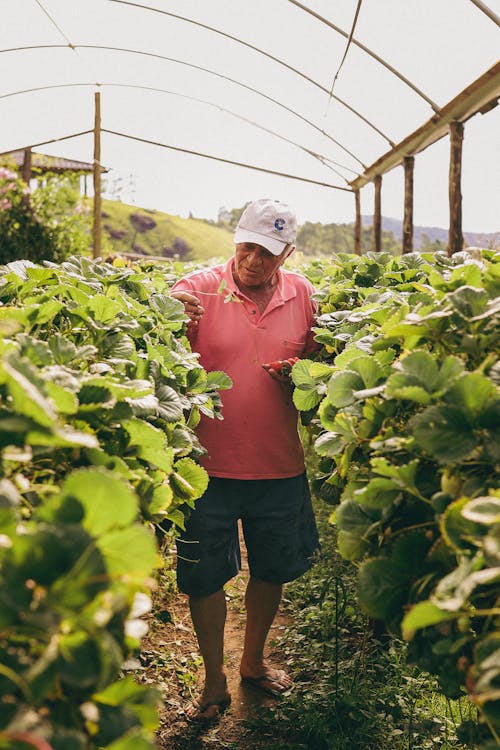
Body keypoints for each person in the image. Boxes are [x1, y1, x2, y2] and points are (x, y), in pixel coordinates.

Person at [170, 198, 320, 721]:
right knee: (204, 576)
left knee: (272, 569)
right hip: (206, 467)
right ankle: (213, 681)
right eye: (248, 246)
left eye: (268, 252)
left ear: (287, 255)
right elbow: (156, 319)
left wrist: (303, 370)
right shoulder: (198, 288)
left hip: (280, 465)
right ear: (234, 239)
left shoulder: (303, 294)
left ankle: (253, 662)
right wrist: (170, 314)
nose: (254, 260)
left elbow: (317, 360)